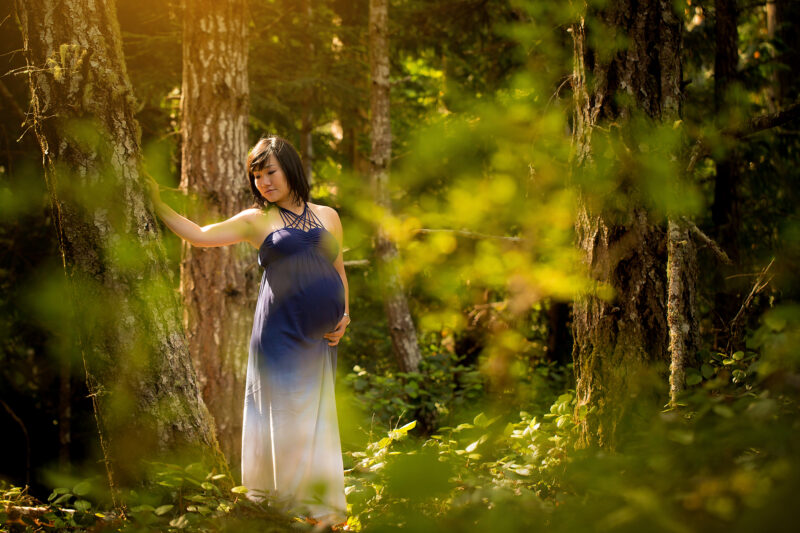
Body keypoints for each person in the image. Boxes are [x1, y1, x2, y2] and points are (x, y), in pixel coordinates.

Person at [147, 135, 351, 529]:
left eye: (270, 172)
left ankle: (322, 512)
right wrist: (156, 204)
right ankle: (284, 510)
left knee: (317, 416)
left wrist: (345, 315)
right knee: (285, 416)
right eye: (256, 177)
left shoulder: (329, 216)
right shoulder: (256, 220)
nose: (264, 184)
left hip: (322, 338)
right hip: (279, 334)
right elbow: (200, 235)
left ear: (289, 168)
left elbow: (338, 272)